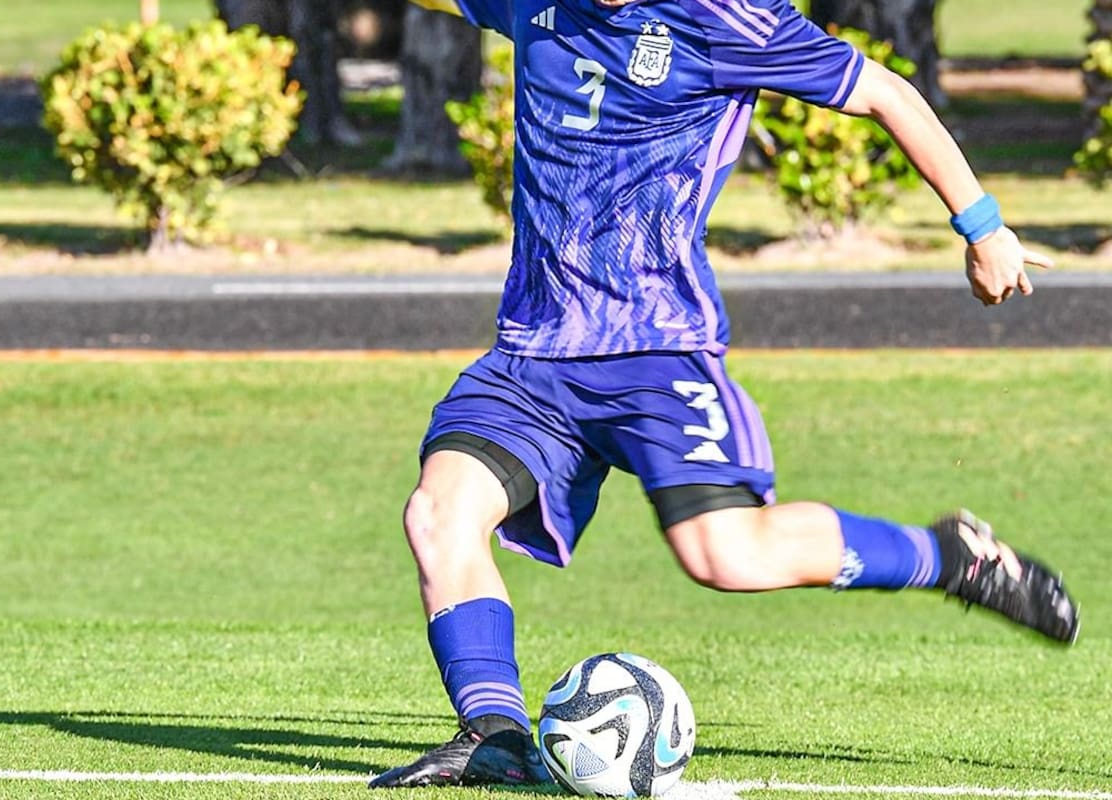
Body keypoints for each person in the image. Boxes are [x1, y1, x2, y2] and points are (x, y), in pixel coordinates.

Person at [369, 0, 1080, 789]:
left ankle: (951, 558)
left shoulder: (727, 21)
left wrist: (983, 228)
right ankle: (495, 736)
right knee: (437, 513)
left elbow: (887, 93)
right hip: (531, 356)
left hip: (655, 349)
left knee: (727, 555)